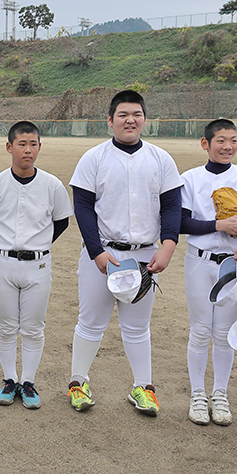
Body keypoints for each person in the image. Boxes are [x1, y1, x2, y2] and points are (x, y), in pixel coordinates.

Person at [67, 90, 182, 416]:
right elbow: (83, 207)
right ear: (110, 120)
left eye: (136, 114)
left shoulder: (161, 159)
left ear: (144, 119)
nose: (130, 120)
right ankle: (78, 383)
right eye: (122, 115)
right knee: (90, 322)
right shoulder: (95, 157)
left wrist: (168, 245)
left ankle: (142, 388)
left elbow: (172, 206)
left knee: (137, 327)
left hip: (145, 255)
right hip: (102, 253)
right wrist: (96, 252)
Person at [180, 119, 237, 426]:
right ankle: (197, 393)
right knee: (200, 331)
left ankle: (219, 394)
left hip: (232, 264)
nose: (228, 146)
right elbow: (181, 223)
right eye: (221, 140)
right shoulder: (190, 179)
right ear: (206, 144)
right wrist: (217, 225)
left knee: (223, 334)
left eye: (233, 140)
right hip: (200, 260)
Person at [0, 121, 73, 409]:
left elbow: (61, 222)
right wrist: (1, 250)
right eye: (21, 144)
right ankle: (10, 380)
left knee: (33, 327)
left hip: (38, 264)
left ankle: (29, 381)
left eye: (33, 144)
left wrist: (38, 245)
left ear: (39, 147)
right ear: (9, 147)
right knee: (6, 326)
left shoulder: (52, 185)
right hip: (2, 263)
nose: (28, 150)